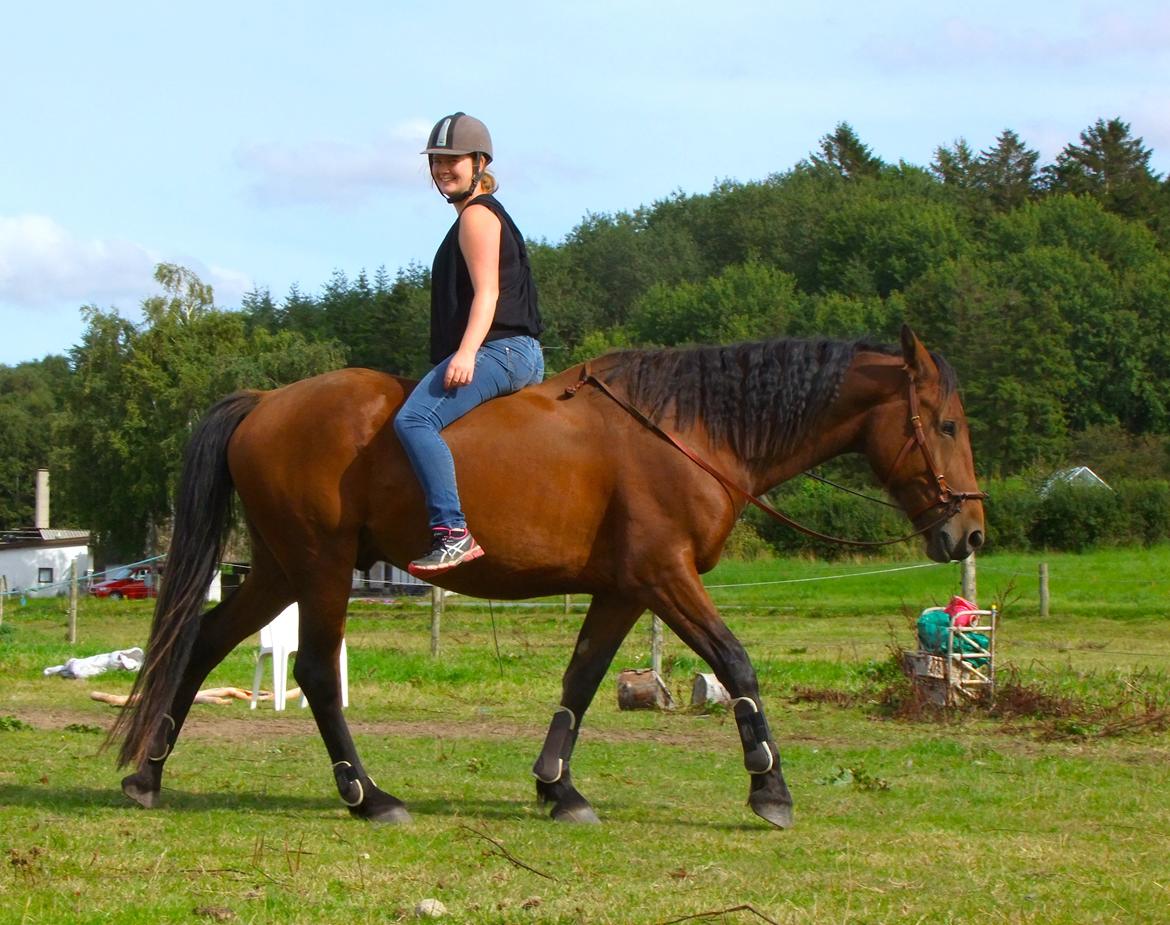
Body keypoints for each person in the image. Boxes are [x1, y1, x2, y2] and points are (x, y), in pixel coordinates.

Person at [395, 112, 544, 576]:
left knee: (415, 420)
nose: (442, 168)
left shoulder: (477, 217)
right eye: (436, 160)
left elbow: (488, 293)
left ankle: (452, 532)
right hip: (510, 349)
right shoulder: (480, 215)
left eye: (452, 159)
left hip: (499, 350)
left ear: (479, 162)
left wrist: (465, 353)